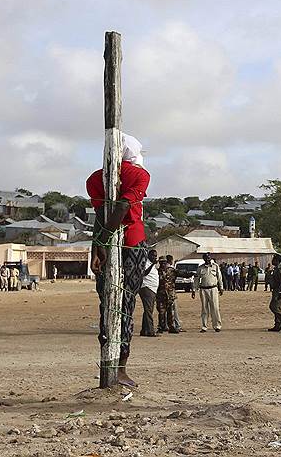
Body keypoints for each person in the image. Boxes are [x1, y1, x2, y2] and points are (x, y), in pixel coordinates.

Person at [86, 132, 150, 388]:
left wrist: (97, 247)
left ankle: (107, 363)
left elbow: (100, 216)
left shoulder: (94, 179)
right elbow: (123, 207)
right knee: (125, 304)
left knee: (106, 302)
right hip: (131, 245)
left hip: (105, 245)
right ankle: (120, 367)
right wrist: (103, 242)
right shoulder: (139, 175)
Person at [192, 253, 223, 333]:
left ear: (210, 258)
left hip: (213, 289)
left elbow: (219, 277)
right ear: (204, 259)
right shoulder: (200, 268)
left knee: (215, 308)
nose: (207, 260)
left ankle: (217, 326)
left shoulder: (215, 266)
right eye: (206, 258)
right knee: (204, 309)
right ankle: (204, 326)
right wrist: (194, 290)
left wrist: (221, 287)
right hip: (203, 290)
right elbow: (196, 279)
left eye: (209, 258)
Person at [138, 249, 160, 337]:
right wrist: (153, 264)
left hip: (152, 289)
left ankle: (144, 330)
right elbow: (144, 273)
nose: (155, 257)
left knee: (148, 310)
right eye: (153, 256)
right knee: (148, 311)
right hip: (147, 288)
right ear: (148, 255)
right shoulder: (146, 263)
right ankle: (150, 331)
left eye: (156, 256)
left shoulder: (151, 264)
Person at [155, 256, 180, 334]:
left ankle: (171, 327)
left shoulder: (171, 271)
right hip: (160, 295)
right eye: (161, 262)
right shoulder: (156, 272)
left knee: (170, 312)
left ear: (166, 262)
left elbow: (181, 273)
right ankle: (161, 327)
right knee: (161, 312)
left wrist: (191, 274)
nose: (162, 264)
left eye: (164, 262)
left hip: (170, 295)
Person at [268, 254, 281, 332]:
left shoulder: (280, 269)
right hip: (276, 290)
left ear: (277, 261)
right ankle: (277, 324)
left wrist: (280, 292)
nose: (272, 261)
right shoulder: (276, 269)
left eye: (274, 259)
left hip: (279, 290)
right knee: (278, 307)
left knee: (273, 306)